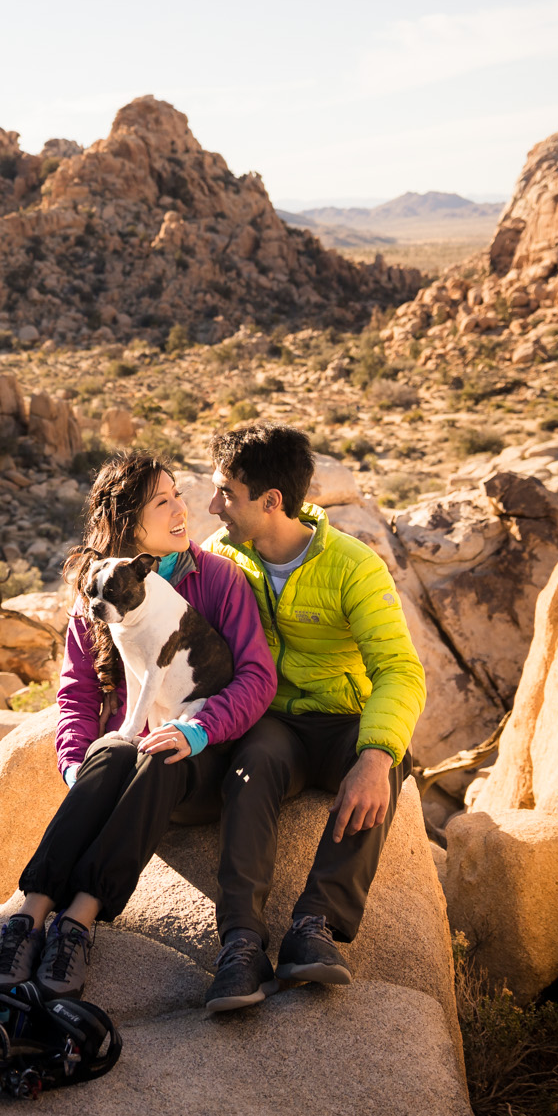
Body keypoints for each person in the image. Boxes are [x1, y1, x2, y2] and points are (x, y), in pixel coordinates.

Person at [0, 451, 277, 999]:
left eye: (177, 496)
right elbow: (76, 695)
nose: (180, 510)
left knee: (158, 750)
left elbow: (258, 678)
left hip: (199, 760)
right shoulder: (97, 591)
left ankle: (78, 923)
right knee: (113, 752)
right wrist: (75, 765)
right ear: (127, 525)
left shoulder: (218, 581)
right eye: (160, 502)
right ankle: (28, 917)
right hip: (127, 762)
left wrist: (199, 728)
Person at [196, 422, 426, 1014]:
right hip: (273, 722)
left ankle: (315, 926)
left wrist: (376, 756)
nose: (212, 504)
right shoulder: (224, 561)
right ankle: (241, 945)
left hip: (342, 718)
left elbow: (400, 669)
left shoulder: (353, 565)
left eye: (226, 492)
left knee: (380, 773)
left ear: (272, 502)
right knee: (252, 768)